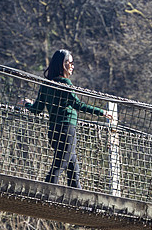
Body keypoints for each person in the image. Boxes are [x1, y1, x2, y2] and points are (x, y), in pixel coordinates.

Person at [23, 49, 111, 189]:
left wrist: (27, 104)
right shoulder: (65, 83)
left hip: (53, 133)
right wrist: (101, 112)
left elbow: (37, 109)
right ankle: (44, 193)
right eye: (70, 62)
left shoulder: (46, 84)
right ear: (63, 64)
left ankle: (77, 199)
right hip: (66, 131)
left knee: (73, 170)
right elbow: (77, 104)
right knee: (59, 166)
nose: (72, 66)